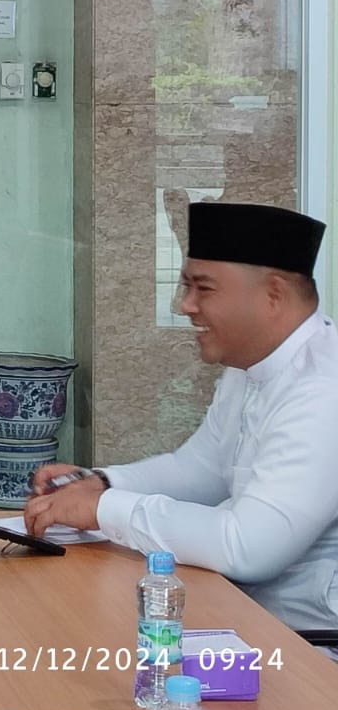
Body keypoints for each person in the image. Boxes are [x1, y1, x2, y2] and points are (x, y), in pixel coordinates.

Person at [25, 202, 338, 638]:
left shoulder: (324, 389)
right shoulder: (251, 367)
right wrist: (102, 482)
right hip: (242, 614)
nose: (184, 305)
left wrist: (104, 509)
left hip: (313, 646)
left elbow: (248, 547)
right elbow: (201, 468)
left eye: (203, 288)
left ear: (273, 296)